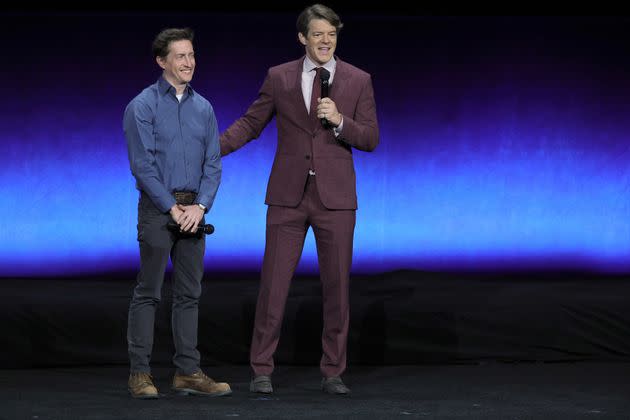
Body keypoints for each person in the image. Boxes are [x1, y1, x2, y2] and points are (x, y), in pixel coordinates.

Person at [220, 4, 379, 395]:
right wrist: (209, 148)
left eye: (332, 34)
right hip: (288, 197)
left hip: (336, 200)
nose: (326, 41)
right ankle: (261, 370)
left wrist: (340, 121)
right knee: (273, 286)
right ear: (302, 38)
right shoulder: (279, 77)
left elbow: (371, 138)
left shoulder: (358, 80)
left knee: (337, 288)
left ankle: (333, 372)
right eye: (318, 34)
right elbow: (251, 124)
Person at [123, 27, 231, 399]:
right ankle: (140, 374)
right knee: (149, 292)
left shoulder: (205, 108)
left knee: (189, 294)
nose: (189, 62)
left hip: (195, 213)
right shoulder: (143, 105)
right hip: (158, 209)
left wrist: (199, 207)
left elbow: (213, 164)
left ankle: (187, 372)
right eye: (180, 56)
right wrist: (173, 207)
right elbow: (142, 166)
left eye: (192, 55)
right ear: (162, 61)